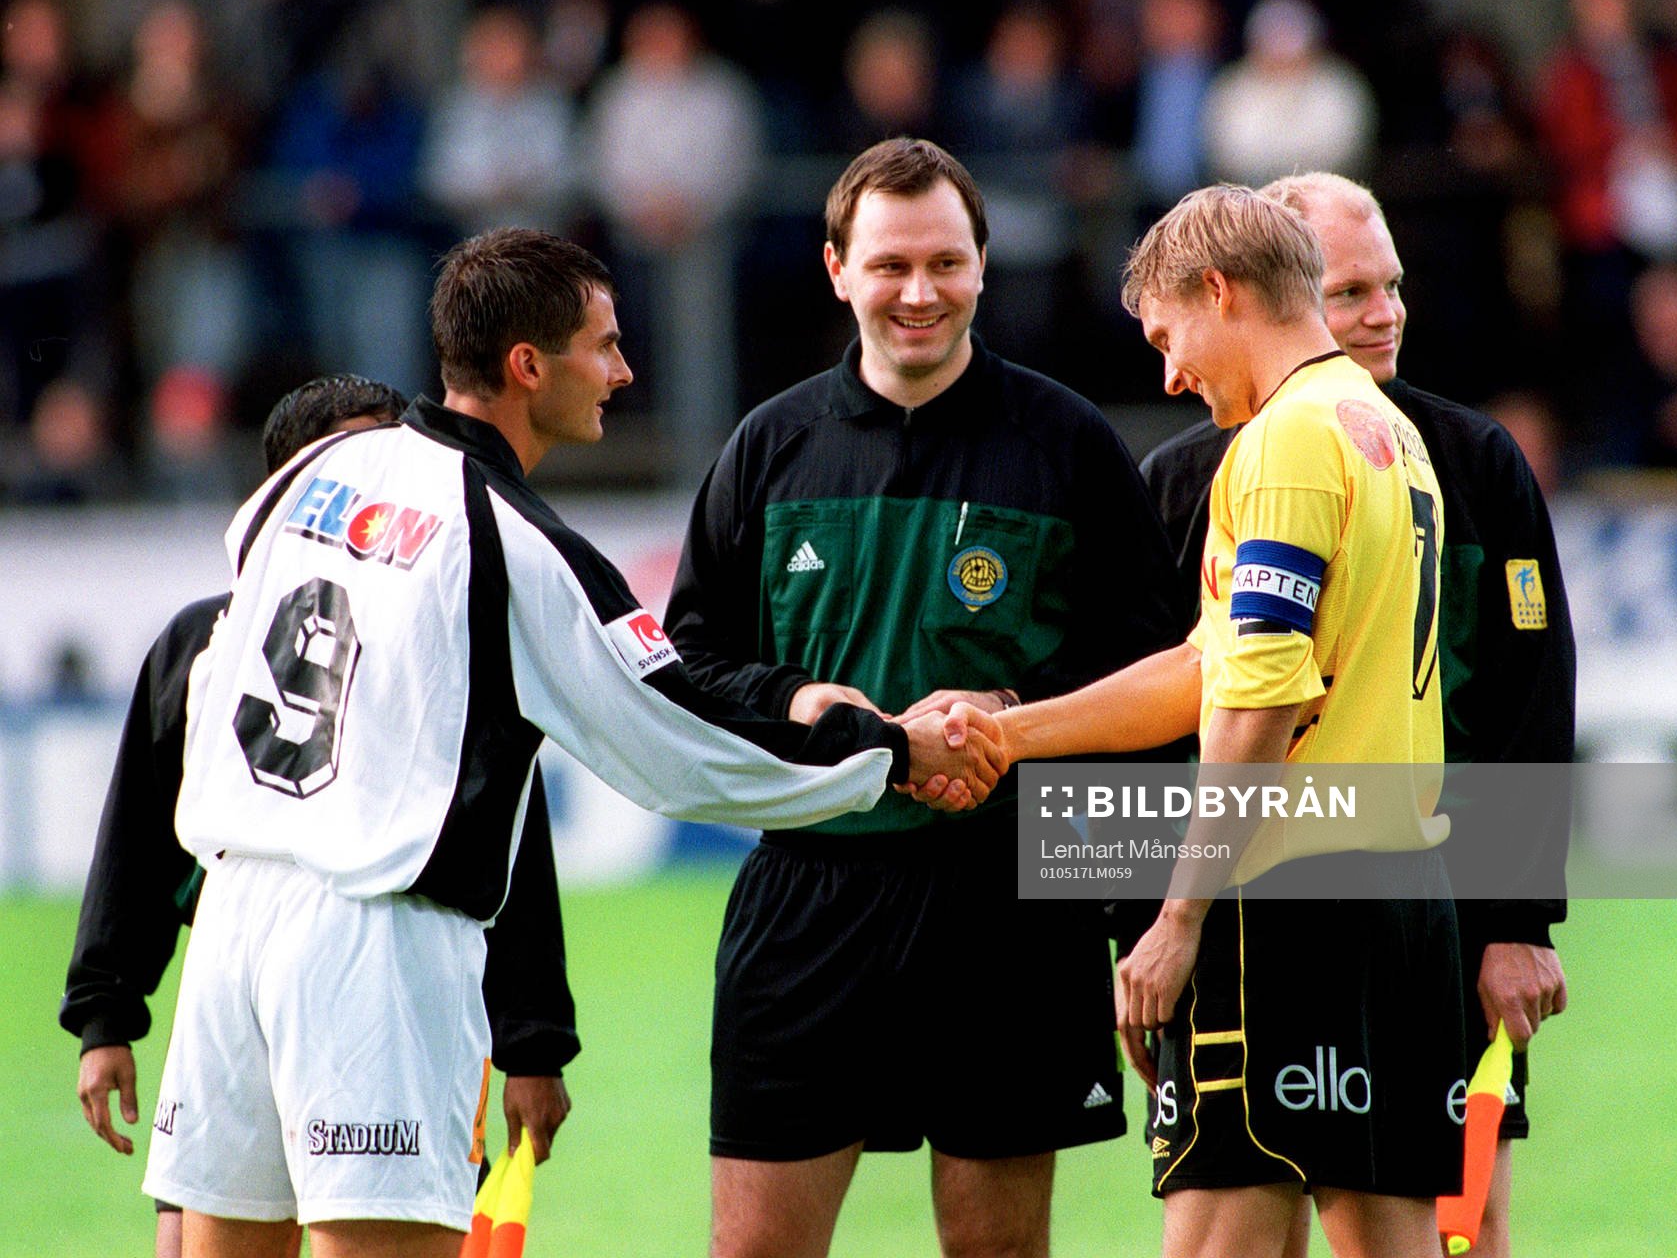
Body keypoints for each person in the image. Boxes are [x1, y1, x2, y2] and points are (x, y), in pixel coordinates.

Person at [138, 228, 1003, 1258]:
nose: (623, 371)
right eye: (603, 345)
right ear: (527, 366)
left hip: (233, 918)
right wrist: (891, 752)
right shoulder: (516, 538)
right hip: (373, 940)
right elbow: (675, 741)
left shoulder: (313, 468)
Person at [664, 138, 1187, 1258]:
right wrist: (800, 698)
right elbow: (687, 662)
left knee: (997, 1250)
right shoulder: (770, 446)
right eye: (890, 264)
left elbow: (1157, 670)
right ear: (836, 269)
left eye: (945, 262)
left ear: (982, 265)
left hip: (1011, 898)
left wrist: (1016, 719)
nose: (919, 292)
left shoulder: (1067, 444)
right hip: (810, 891)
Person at [987, 184, 1465, 1258]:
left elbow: (1258, 701)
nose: (1170, 374)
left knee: (1218, 1234)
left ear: (1218, 291)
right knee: (1391, 1237)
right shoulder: (1380, 426)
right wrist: (1012, 735)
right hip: (1397, 893)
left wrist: (1178, 915)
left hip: (1284, 904)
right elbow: (1212, 666)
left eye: (1167, 338)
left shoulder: (1282, 441)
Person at [1140, 171, 1574, 1258]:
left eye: (1391, 286)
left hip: (1414, 901)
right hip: (1283, 895)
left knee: (1460, 1222)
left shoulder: (1464, 454)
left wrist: (1515, 918)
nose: (1382, 313)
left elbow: (1528, 703)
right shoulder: (1183, 476)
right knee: (1308, 1213)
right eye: (1350, 291)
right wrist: (1140, 916)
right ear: (1282, 286)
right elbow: (1179, 696)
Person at [61, 375, 575, 1258]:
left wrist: (534, 1041)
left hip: (381, 995)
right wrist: (105, 1012)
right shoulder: (197, 644)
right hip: (237, 1001)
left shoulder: (438, 633)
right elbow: (137, 842)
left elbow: (507, 848)